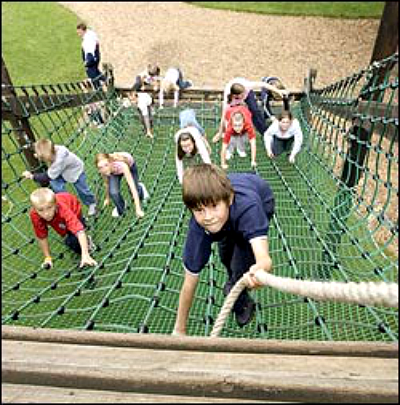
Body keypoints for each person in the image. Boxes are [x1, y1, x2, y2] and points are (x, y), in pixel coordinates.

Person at [173, 164, 275, 335]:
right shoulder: (199, 227)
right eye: (199, 210)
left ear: (229, 199)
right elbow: (190, 280)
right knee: (225, 255)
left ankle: (240, 299)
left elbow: (263, 258)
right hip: (228, 216)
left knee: (241, 265)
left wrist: (261, 268)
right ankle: (232, 275)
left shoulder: (249, 208)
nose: (208, 217)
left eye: (214, 206)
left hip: (262, 199)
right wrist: (179, 328)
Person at [22, 139, 97, 216]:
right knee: (55, 183)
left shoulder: (59, 161)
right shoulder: (54, 148)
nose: (46, 160)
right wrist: (39, 155)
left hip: (76, 172)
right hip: (63, 171)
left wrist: (32, 176)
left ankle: (92, 203)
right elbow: (43, 148)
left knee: (82, 190)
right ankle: (65, 201)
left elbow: (47, 176)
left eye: (47, 159)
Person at [29, 188, 97, 269]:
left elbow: (79, 231)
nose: (46, 213)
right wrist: (47, 257)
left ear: (55, 204)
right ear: (35, 209)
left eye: (49, 208)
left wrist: (85, 254)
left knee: (75, 239)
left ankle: (87, 239)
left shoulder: (63, 209)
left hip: (73, 208)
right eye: (41, 210)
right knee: (65, 233)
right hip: (58, 218)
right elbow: (42, 236)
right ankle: (72, 233)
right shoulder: (34, 215)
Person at [213, 77, 288, 142]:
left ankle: (265, 133)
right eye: (241, 96)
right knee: (232, 115)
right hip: (234, 96)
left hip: (243, 87)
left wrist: (278, 91)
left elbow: (264, 84)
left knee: (255, 111)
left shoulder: (247, 87)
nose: (243, 97)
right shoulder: (228, 99)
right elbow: (224, 116)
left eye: (244, 94)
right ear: (235, 95)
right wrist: (220, 133)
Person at [95, 152, 149, 218]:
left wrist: (138, 209)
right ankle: (122, 206)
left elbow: (132, 187)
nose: (104, 169)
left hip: (129, 165)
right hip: (114, 171)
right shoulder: (104, 170)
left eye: (106, 165)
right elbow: (107, 183)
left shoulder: (123, 166)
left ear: (111, 162)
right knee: (114, 192)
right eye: (100, 167)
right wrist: (107, 198)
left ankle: (141, 188)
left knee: (133, 189)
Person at [220, 105, 257, 170]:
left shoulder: (248, 124)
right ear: (232, 123)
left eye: (239, 125)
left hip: (244, 111)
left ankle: (240, 148)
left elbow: (253, 143)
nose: (237, 128)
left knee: (243, 136)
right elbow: (223, 147)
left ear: (243, 123)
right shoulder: (230, 127)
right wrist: (223, 164)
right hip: (228, 113)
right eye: (235, 125)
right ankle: (230, 150)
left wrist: (253, 160)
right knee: (231, 137)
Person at [76, 22, 104, 89]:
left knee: (93, 76)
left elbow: (89, 51)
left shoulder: (87, 40)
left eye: (79, 33)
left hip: (91, 59)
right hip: (96, 57)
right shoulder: (91, 33)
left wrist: (87, 62)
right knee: (96, 72)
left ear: (83, 30)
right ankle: (106, 81)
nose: (78, 34)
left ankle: (98, 90)